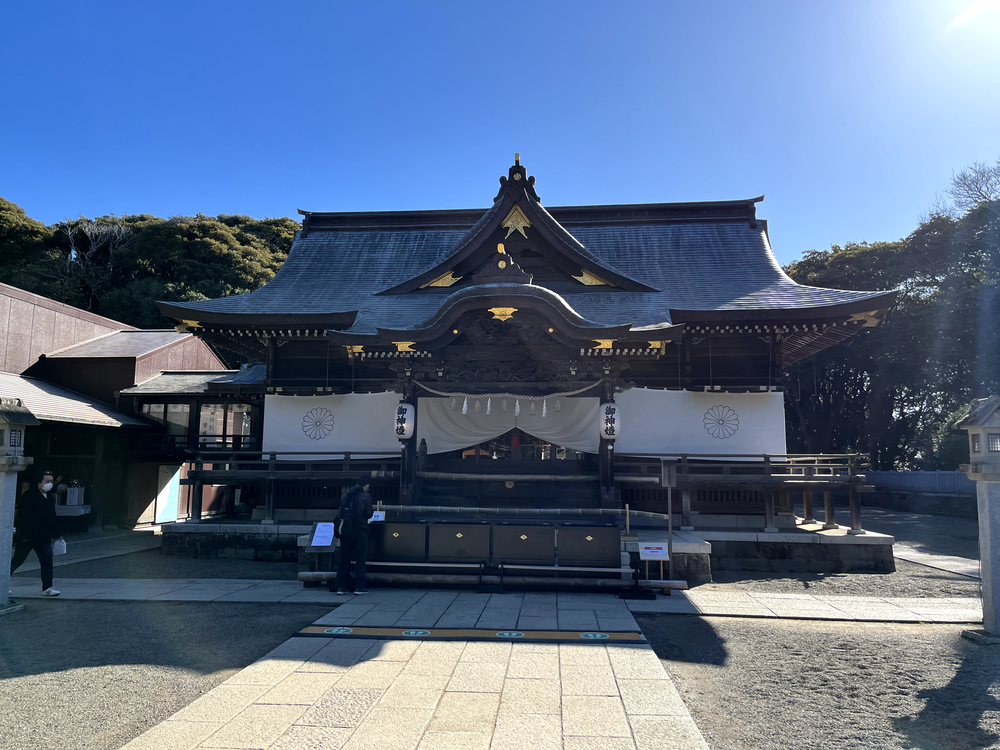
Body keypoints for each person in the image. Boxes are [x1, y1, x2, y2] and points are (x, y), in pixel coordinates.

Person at [11, 470, 62, 596]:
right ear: (39, 483)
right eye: (47, 481)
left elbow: (52, 517)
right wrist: (23, 534)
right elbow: (24, 516)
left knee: (47, 561)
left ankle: (47, 587)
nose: (50, 484)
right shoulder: (29, 495)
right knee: (17, 560)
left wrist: (57, 533)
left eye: (51, 481)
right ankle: (2, 583)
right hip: (28, 536)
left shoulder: (49, 498)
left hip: (43, 535)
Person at [334, 476, 373, 596]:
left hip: (345, 529)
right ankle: (359, 587)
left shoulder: (346, 494)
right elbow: (369, 514)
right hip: (359, 530)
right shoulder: (366, 496)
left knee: (344, 559)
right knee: (360, 559)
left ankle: (341, 587)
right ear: (366, 485)